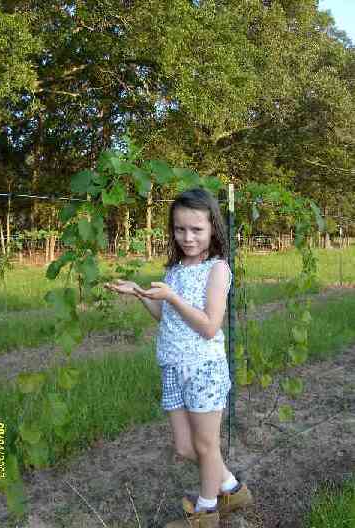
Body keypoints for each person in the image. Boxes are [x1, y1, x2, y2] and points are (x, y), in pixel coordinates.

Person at [105, 188, 253, 528]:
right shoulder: (175, 269)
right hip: (172, 366)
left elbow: (209, 326)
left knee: (206, 445)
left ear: (213, 227)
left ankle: (206, 512)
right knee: (187, 448)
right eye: (179, 229)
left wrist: (172, 297)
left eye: (196, 229)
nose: (187, 237)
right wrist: (141, 294)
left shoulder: (217, 270)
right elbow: (166, 316)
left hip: (203, 369)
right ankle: (231, 488)